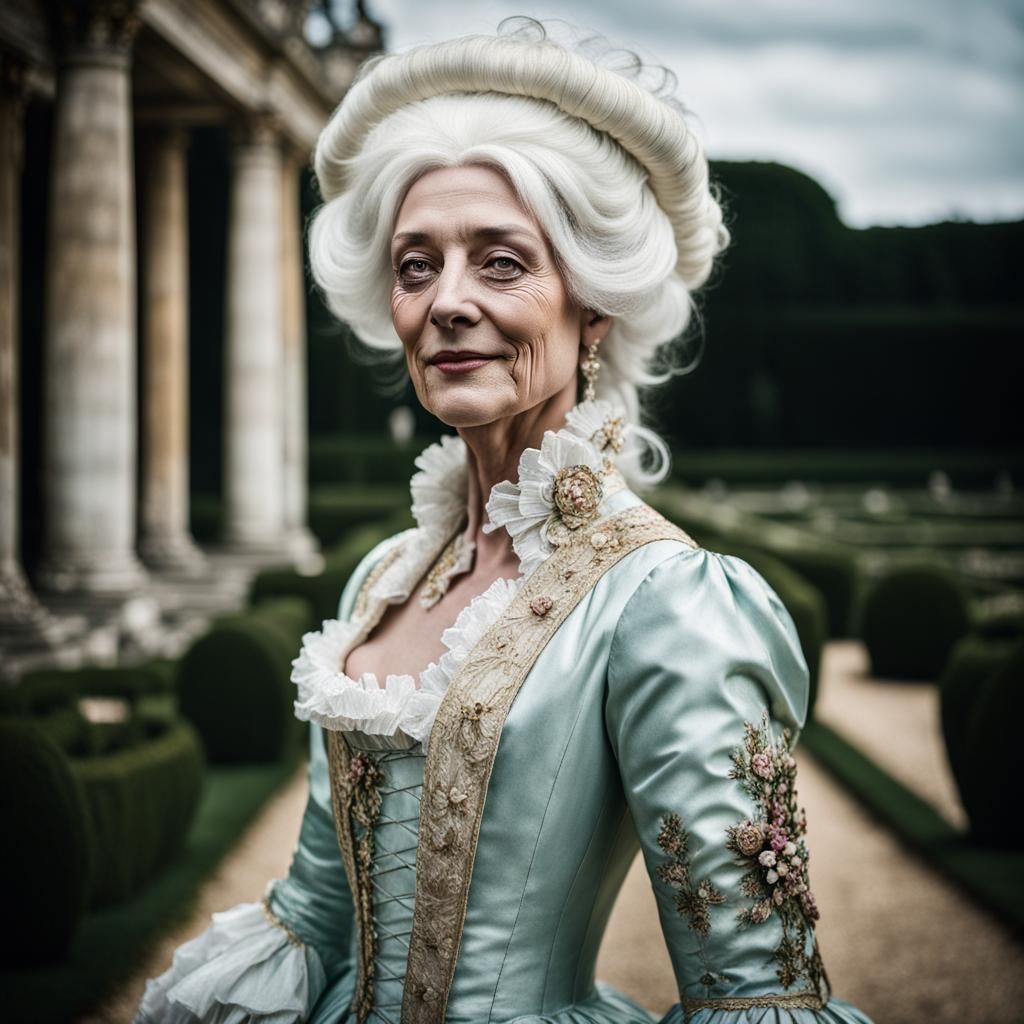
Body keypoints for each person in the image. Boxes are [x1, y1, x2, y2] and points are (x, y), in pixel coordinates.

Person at [135, 19, 875, 1024]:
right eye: (414, 265)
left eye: (498, 262)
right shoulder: (380, 582)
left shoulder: (671, 605)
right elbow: (313, 918)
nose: (444, 302)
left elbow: (754, 992)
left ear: (594, 303)